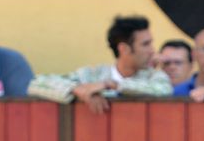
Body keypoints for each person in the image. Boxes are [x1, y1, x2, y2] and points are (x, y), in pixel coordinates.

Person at [28, 14, 172, 112]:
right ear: (124, 49)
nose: (152, 51)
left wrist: (110, 85)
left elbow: (163, 90)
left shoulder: (155, 77)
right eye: (145, 44)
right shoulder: (91, 75)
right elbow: (35, 84)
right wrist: (76, 89)